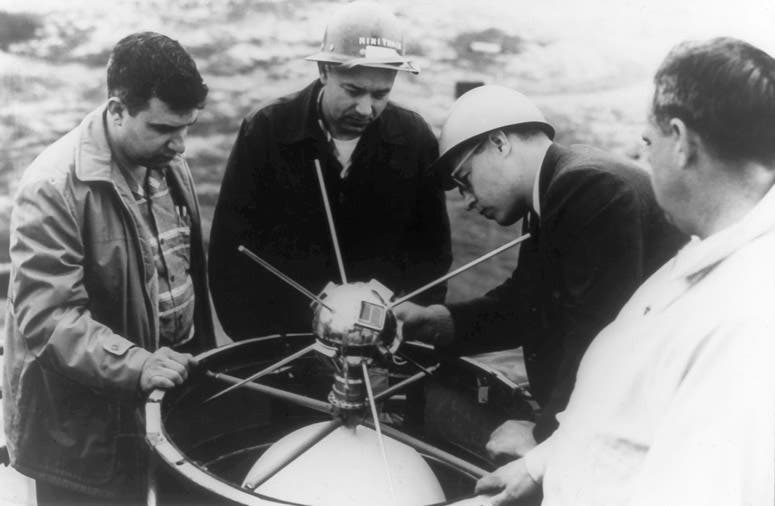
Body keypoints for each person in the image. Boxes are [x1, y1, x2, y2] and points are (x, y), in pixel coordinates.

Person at [474, 37, 775, 506]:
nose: (642, 158)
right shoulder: (702, 255)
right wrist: (539, 465)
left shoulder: (746, 310)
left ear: (680, 142)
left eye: (648, 142)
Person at [395, 85, 686, 461]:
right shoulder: (556, 188)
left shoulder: (587, 188)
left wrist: (546, 435)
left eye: (465, 179)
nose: (466, 202)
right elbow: (524, 305)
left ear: (499, 143)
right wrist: (434, 322)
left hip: (654, 425)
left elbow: (597, 330)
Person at [3, 32, 213, 504]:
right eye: (163, 128)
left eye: (188, 127)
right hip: (84, 436)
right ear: (117, 110)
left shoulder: (167, 161)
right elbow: (48, 319)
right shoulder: (51, 187)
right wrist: (140, 365)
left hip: (165, 401)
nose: (181, 145)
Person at [208, 1, 452, 339]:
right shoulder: (265, 131)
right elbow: (231, 254)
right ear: (324, 70)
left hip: (382, 343)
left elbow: (433, 255)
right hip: (284, 340)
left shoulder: (415, 139)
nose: (366, 109)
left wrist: (407, 336)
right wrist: (258, 345)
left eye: (381, 94)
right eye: (353, 91)